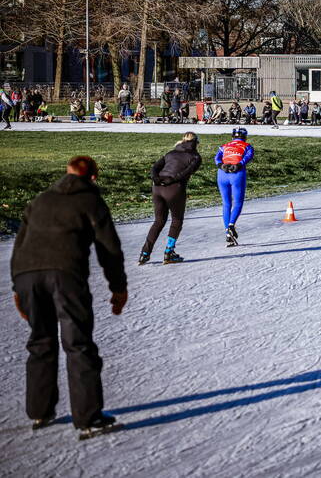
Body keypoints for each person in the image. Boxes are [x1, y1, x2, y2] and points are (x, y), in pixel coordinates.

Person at [10, 155, 126, 435]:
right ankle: (88, 418)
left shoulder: (40, 200)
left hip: (28, 275)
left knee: (40, 341)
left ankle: (40, 412)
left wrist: (18, 287)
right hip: (65, 276)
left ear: (66, 172)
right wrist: (118, 287)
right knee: (78, 344)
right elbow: (108, 248)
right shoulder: (90, 200)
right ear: (93, 177)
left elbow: (20, 244)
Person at [139, 133, 202, 265]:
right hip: (174, 189)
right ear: (196, 143)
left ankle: (144, 253)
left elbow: (155, 167)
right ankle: (169, 252)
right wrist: (172, 179)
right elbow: (186, 172)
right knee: (177, 220)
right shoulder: (195, 157)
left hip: (157, 188)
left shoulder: (171, 153)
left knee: (159, 221)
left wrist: (155, 178)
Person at [215, 128, 254, 246]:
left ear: (233, 137)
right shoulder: (247, 146)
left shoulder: (225, 146)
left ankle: (228, 233)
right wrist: (239, 165)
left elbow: (217, 158)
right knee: (238, 203)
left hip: (222, 174)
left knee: (226, 204)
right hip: (237, 173)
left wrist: (221, 165)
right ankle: (231, 225)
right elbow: (248, 157)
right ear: (245, 137)